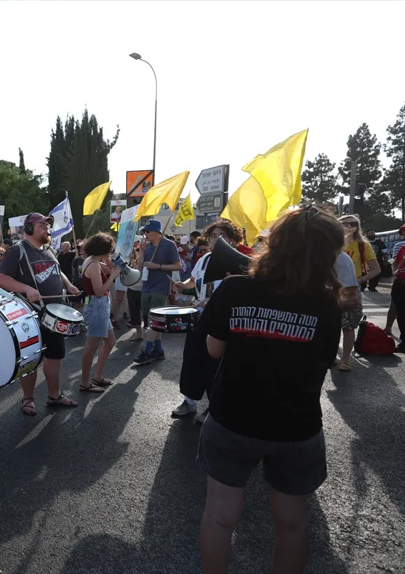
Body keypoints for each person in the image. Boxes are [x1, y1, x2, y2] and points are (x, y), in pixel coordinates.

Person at [197, 206, 344, 574]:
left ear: (274, 243)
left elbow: (214, 349)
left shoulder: (235, 288)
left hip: (232, 418)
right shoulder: (328, 305)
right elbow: (323, 362)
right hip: (297, 426)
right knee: (292, 523)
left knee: (219, 517)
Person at [0, 213, 81, 416]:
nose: (47, 228)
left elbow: (57, 269)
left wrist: (68, 284)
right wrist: (26, 288)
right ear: (28, 228)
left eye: (47, 225)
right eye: (42, 225)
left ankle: (54, 396)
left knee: (56, 356)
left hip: (55, 313)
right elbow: (1, 279)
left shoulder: (49, 248)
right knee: (31, 359)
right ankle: (28, 399)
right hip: (30, 314)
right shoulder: (17, 251)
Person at [168, 221, 239, 421]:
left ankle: (214, 406)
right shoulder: (204, 259)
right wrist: (183, 285)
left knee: (214, 364)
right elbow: (194, 280)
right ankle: (189, 401)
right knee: (192, 358)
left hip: (222, 320)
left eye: (222, 235)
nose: (217, 240)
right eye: (214, 235)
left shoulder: (237, 262)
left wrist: (214, 301)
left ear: (233, 240)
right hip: (198, 317)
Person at [132, 220, 181, 365]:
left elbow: (178, 266)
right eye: (144, 232)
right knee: (153, 321)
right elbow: (140, 268)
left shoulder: (169, 245)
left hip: (160, 288)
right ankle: (158, 350)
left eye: (147, 231)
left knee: (155, 320)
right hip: (146, 287)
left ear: (156, 232)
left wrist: (158, 266)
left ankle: (147, 351)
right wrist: (141, 251)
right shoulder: (146, 247)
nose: (145, 234)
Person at [337, 215, 380, 371]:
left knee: (348, 326)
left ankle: (346, 359)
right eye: (344, 223)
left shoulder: (363, 246)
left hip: (351, 289)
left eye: (353, 224)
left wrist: (361, 280)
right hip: (332, 290)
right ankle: (331, 354)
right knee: (331, 324)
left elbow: (376, 269)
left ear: (358, 226)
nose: (349, 226)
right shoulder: (332, 245)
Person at [79, 233, 121, 392]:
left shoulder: (92, 260)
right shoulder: (94, 265)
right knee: (91, 346)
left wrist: (109, 260)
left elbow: (111, 268)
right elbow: (99, 291)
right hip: (97, 304)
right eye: (110, 249)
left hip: (100, 305)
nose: (111, 252)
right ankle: (85, 382)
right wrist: (113, 278)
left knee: (110, 341)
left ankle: (97, 376)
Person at [390, 223, 405, 353]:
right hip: (400, 284)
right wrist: (394, 271)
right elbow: (395, 262)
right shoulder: (402, 248)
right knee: (401, 314)